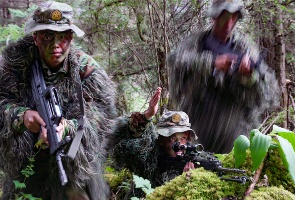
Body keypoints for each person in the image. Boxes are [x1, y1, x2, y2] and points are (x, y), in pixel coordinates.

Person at [0, 1, 117, 199]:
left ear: (71, 38)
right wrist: (22, 117)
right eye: (47, 36)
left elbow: (103, 116)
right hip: (26, 165)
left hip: (77, 167)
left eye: (62, 37)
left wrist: (69, 127)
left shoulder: (86, 70)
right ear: (35, 38)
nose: (55, 45)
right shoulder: (15, 65)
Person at [167, 0, 280, 153]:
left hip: (233, 140)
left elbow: (269, 94)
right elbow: (176, 62)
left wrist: (248, 77)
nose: (228, 23)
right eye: (224, 17)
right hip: (195, 133)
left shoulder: (244, 49)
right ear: (214, 17)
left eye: (233, 18)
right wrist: (212, 63)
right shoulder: (196, 43)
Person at [113, 106, 199, 188]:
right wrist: (146, 117)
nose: (179, 144)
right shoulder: (150, 158)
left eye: (183, 138)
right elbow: (131, 148)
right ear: (161, 140)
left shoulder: (193, 159)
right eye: (172, 138)